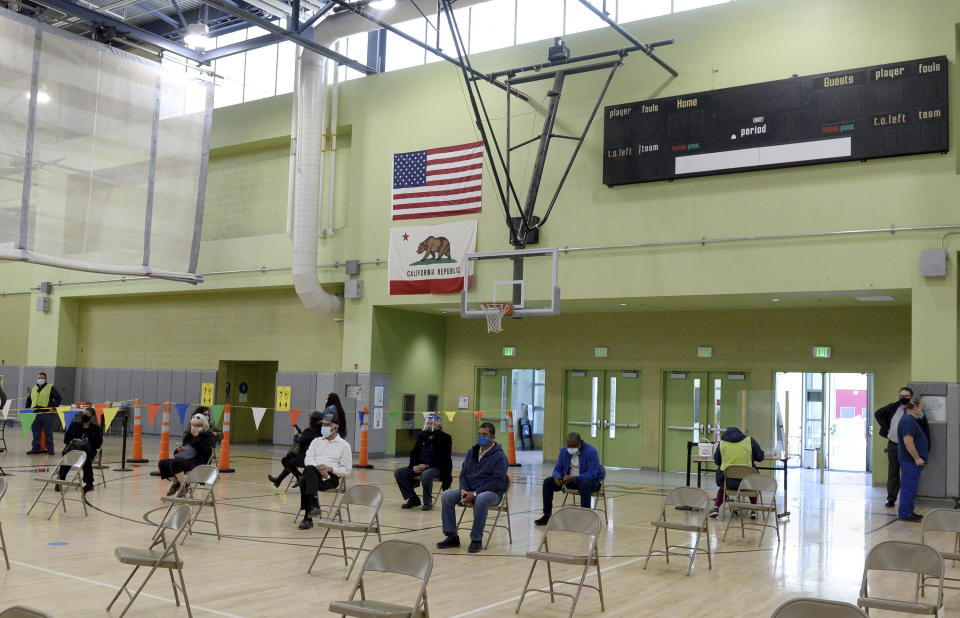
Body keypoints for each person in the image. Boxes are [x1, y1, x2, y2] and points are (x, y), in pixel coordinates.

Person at [437, 422, 508, 553]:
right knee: (446, 495)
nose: (481, 437)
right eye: (479, 434)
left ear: (493, 437)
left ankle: (476, 539)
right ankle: (452, 536)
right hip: (469, 490)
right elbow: (463, 474)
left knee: (481, 499)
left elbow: (496, 482)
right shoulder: (472, 452)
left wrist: (475, 493)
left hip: (492, 493)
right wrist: (463, 489)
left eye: (485, 434)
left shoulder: (500, 457)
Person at [875, 386, 929, 508]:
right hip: (893, 444)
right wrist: (886, 429)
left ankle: (907, 502)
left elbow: (923, 422)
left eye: (906, 396)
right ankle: (891, 498)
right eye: (901, 396)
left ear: (911, 397)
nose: (903, 398)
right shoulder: (894, 407)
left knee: (908, 474)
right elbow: (878, 414)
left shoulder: (916, 410)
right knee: (893, 473)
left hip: (908, 447)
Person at [298, 410, 352, 530]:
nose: (324, 427)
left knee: (304, 479)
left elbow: (346, 470)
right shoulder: (316, 441)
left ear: (335, 427)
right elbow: (308, 459)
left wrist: (329, 469)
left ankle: (308, 517)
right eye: (323, 425)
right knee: (309, 471)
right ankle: (314, 507)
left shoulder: (344, 446)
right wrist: (319, 467)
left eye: (327, 425)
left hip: (330, 478)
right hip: (315, 473)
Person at [535, 432, 604, 525]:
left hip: (591, 481)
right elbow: (557, 469)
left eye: (574, 446)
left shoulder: (591, 452)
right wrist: (557, 477)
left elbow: (593, 473)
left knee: (585, 484)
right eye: (569, 446)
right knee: (548, 482)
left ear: (580, 443)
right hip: (569, 480)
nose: (571, 449)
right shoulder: (564, 451)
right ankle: (547, 515)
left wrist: (575, 478)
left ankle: (585, 517)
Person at [394, 414, 452, 511]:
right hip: (420, 465)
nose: (429, 425)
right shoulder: (422, 435)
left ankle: (427, 502)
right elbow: (414, 452)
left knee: (426, 474)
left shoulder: (445, 437)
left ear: (438, 425)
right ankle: (413, 499)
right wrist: (413, 466)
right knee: (399, 472)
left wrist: (427, 465)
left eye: (431, 423)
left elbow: (444, 456)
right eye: (428, 423)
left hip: (437, 467)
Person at [708, 426, 764, 518]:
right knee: (752, 483)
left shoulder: (722, 443)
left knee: (723, 486)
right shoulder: (749, 441)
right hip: (747, 481)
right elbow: (760, 457)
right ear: (740, 434)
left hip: (729, 482)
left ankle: (716, 508)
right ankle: (754, 510)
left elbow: (717, 461)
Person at [158, 414, 216, 497]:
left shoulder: (208, 436)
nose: (195, 427)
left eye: (198, 425)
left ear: (203, 425)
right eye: (193, 425)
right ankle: (176, 483)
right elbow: (184, 452)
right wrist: (178, 450)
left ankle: (183, 486)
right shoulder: (189, 436)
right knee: (162, 463)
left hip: (198, 463)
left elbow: (206, 451)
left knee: (175, 463)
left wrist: (197, 437)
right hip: (186, 460)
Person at [268, 408, 325, 488]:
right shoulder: (322, 432)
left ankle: (299, 477)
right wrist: (301, 434)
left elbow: (298, 442)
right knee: (291, 461)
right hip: (318, 460)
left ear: (312, 420)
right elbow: (306, 439)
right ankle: (278, 480)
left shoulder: (308, 431)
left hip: (307, 460)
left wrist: (296, 434)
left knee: (286, 460)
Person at [57, 407, 102, 493]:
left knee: (86, 456)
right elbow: (66, 440)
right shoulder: (74, 425)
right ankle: (60, 480)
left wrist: (86, 441)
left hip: (88, 451)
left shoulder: (95, 429)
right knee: (67, 455)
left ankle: (89, 483)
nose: (84, 416)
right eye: (83, 414)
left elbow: (97, 444)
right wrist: (74, 440)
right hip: (73, 449)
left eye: (87, 415)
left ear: (92, 417)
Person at [898, 399, 929, 522]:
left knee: (911, 487)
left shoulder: (910, 420)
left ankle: (909, 511)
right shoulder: (908, 421)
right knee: (908, 488)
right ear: (913, 408)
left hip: (911, 462)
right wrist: (917, 458)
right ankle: (905, 514)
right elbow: (908, 442)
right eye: (920, 408)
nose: (922, 410)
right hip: (910, 461)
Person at [26, 371, 62, 454]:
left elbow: (59, 398)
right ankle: (36, 448)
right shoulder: (34, 388)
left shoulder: (50, 387)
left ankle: (50, 449)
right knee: (36, 432)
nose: (40, 379)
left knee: (48, 432)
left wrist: (53, 407)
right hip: (35, 412)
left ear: (46, 379)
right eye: (39, 378)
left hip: (46, 412)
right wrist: (27, 409)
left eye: (42, 378)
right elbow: (29, 400)